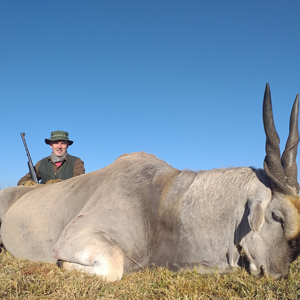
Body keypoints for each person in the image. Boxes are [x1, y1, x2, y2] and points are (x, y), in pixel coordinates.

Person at [18, 131, 85, 186]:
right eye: (56, 143)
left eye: (63, 143)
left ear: (67, 145)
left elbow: (80, 183)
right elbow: (21, 181)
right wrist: (26, 183)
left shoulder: (76, 162)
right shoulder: (42, 163)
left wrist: (59, 183)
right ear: (51, 145)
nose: (59, 147)